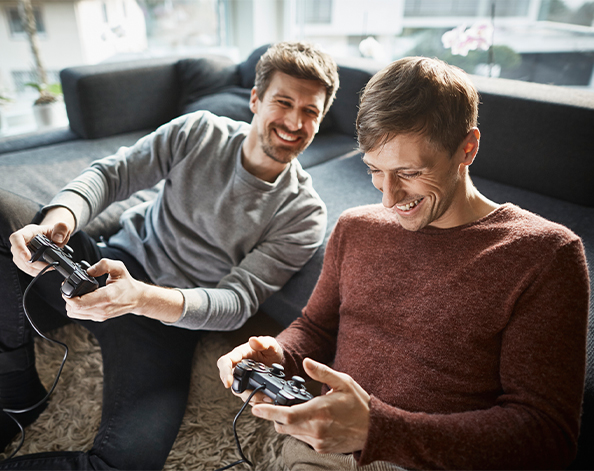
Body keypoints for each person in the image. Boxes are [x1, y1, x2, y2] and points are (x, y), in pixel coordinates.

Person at [218, 56, 590, 470]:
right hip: (318, 449)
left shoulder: (545, 255)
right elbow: (315, 327)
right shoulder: (355, 227)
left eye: (409, 172)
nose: (389, 199)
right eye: (375, 170)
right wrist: (277, 352)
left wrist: (379, 430)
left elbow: (547, 436)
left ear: (467, 147)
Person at [0, 41, 339, 470]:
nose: (294, 121)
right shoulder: (199, 131)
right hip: (106, 264)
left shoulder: (305, 213)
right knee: (5, 218)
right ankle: (16, 390)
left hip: (167, 318)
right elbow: (113, 174)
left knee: (127, 461)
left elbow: (236, 302)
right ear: (255, 99)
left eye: (310, 111)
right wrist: (60, 220)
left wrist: (141, 298)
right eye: (284, 102)